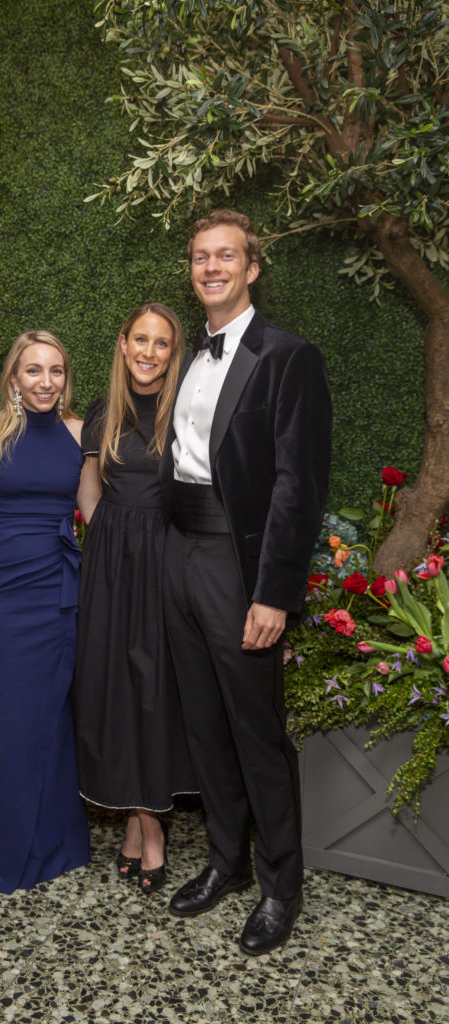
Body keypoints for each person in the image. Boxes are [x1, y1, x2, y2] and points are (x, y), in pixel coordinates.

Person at [161, 210, 332, 954]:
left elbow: (299, 485)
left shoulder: (287, 356)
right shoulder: (185, 356)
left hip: (240, 564)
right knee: (202, 722)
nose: (211, 268)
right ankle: (225, 861)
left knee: (257, 732)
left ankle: (280, 884)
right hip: (180, 554)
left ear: (252, 267)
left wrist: (273, 593)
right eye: (200, 257)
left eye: (225, 256)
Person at [73, 303, 197, 895]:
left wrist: (160, 548)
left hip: (165, 559)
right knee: (113, 687)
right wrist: (108, 544)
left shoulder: (184, 412)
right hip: (111, 562)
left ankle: (151, 827)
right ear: (123, 344)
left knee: (154, 690)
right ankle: (132, 817)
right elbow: (90, 487)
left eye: (162, 343)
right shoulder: (104, 410)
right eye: (140, 340)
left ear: (174, 353)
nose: (149, 352)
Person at [0, 331, 91, 893]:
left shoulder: (80, 433)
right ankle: (1, 852)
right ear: (13, 376)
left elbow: (96, 512)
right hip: (4, 592)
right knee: (14, 715)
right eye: (33, 370)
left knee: (54, 714)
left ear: (67, 378)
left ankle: (60, 845)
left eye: (56, 371)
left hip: (60, 589)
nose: (46, 382)